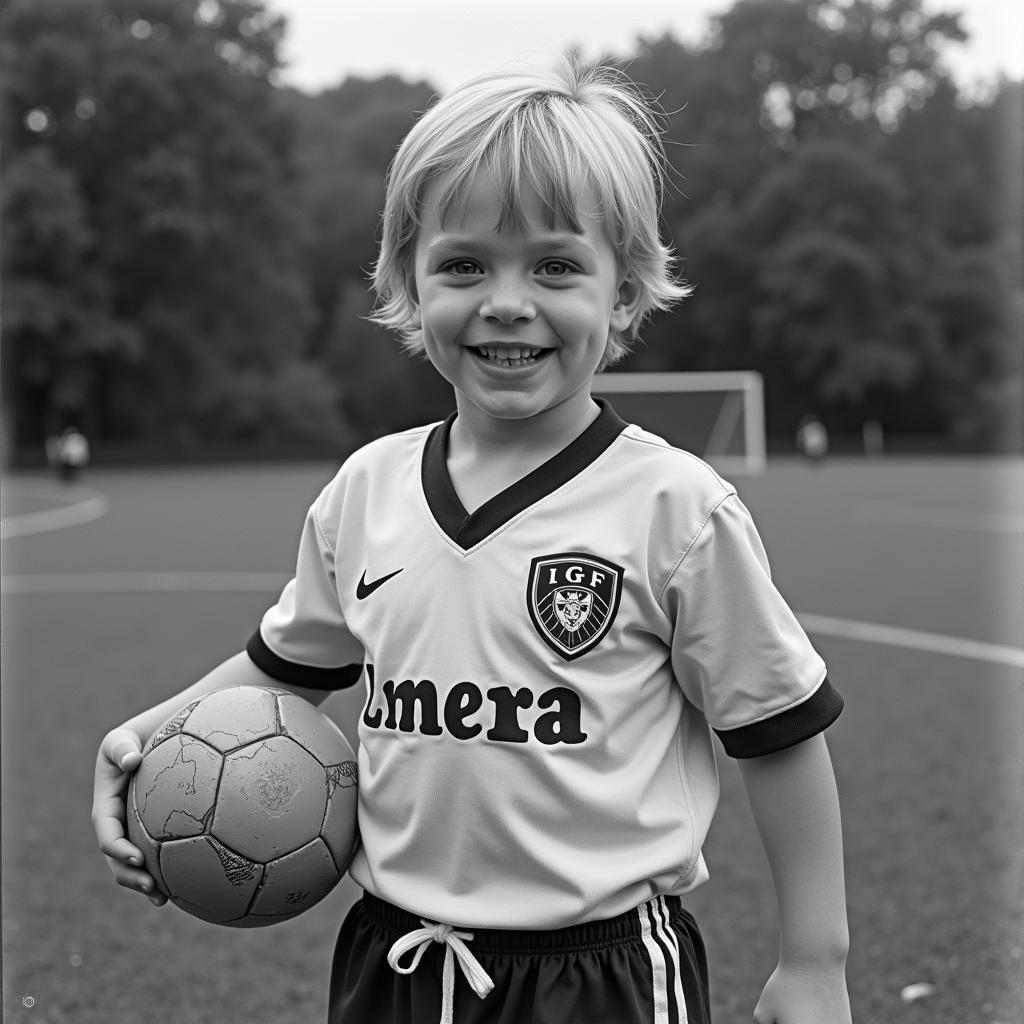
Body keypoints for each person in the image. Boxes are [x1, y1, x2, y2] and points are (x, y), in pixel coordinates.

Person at [93, 58, 851, 1024]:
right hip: (394, 961)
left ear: (624, 293)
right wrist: (143, 737)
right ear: (409, 281)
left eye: (556, 266)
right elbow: (287, 669)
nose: (505, 300)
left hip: (602, 974)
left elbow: (778, 734)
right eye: (463, 265)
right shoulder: (367, 491)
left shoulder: (676, 507)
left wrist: (815, 961)